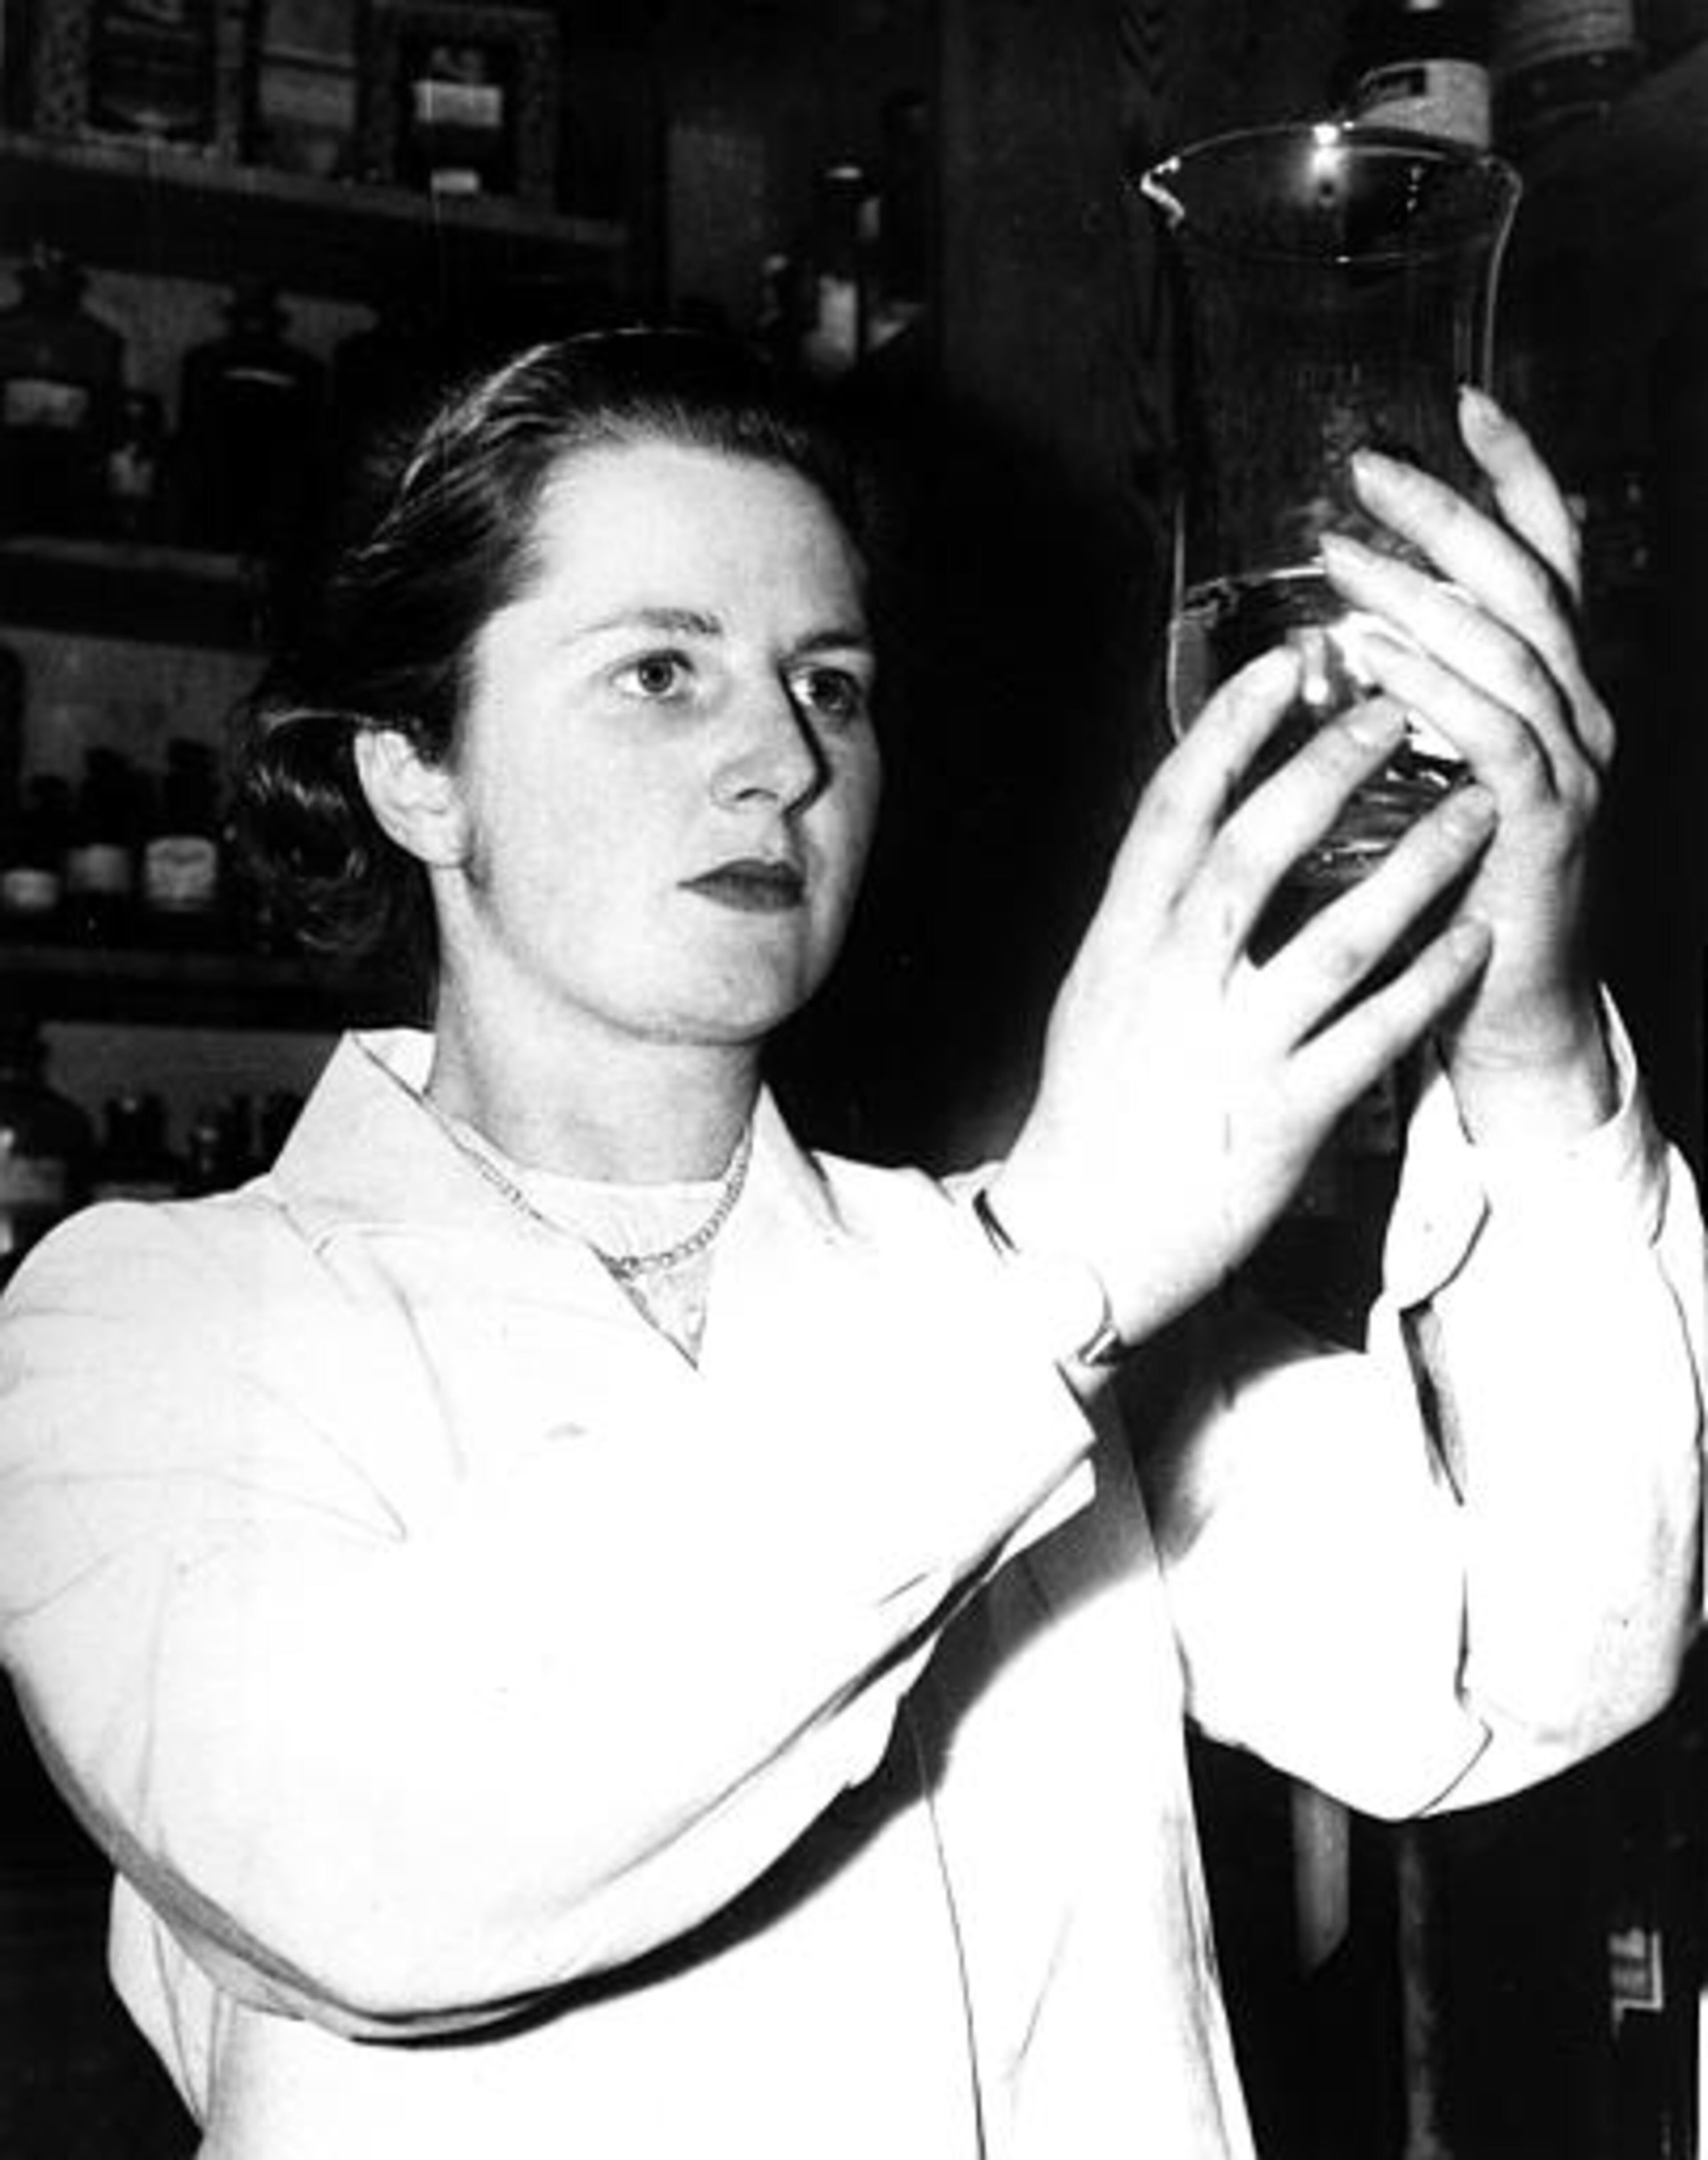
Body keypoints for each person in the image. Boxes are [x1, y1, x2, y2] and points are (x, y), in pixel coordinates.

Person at [0, 329, 1700, 2160]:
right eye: (661, 670)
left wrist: (1522, 1022)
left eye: (832, 682)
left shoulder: (1028, 1285)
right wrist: (1060, 1262)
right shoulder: (152, 1322)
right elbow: (363, 1857)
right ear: (414, 768)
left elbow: (1535, 1659)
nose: (779, 761)